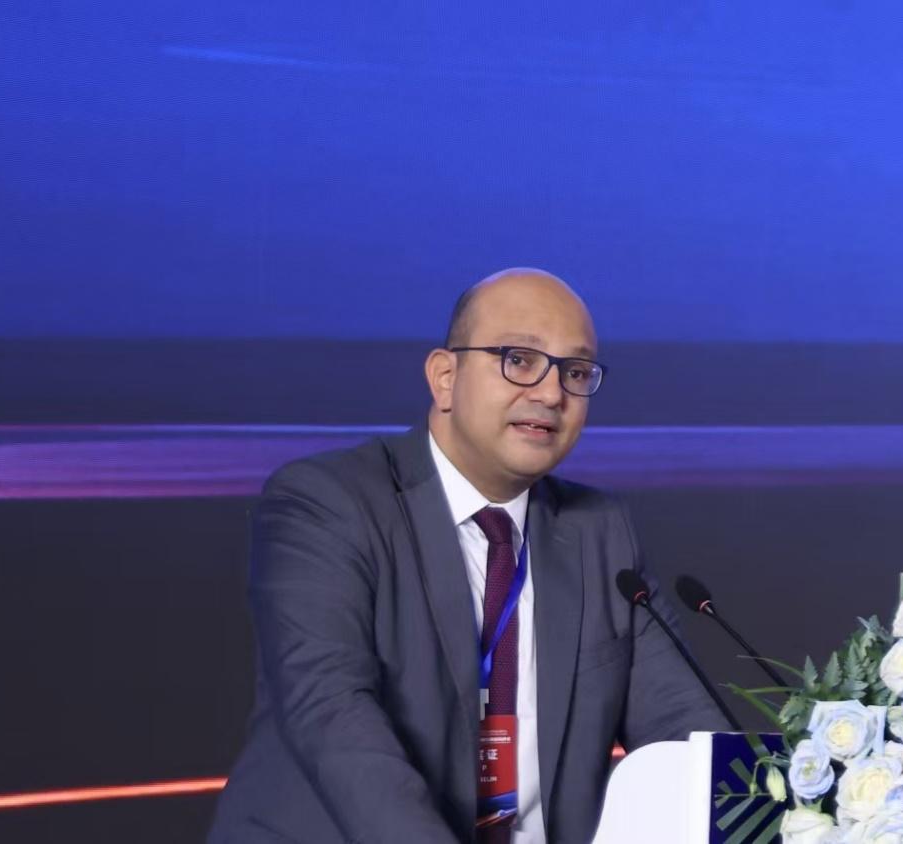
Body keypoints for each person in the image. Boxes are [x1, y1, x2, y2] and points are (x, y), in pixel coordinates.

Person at [208, 269, 727, 844]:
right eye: (519, 360)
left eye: (575, 372)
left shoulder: (600, 531)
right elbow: (333, 716)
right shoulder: (327, 502)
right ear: (445, 378)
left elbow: (685, 731)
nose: (551, 394)